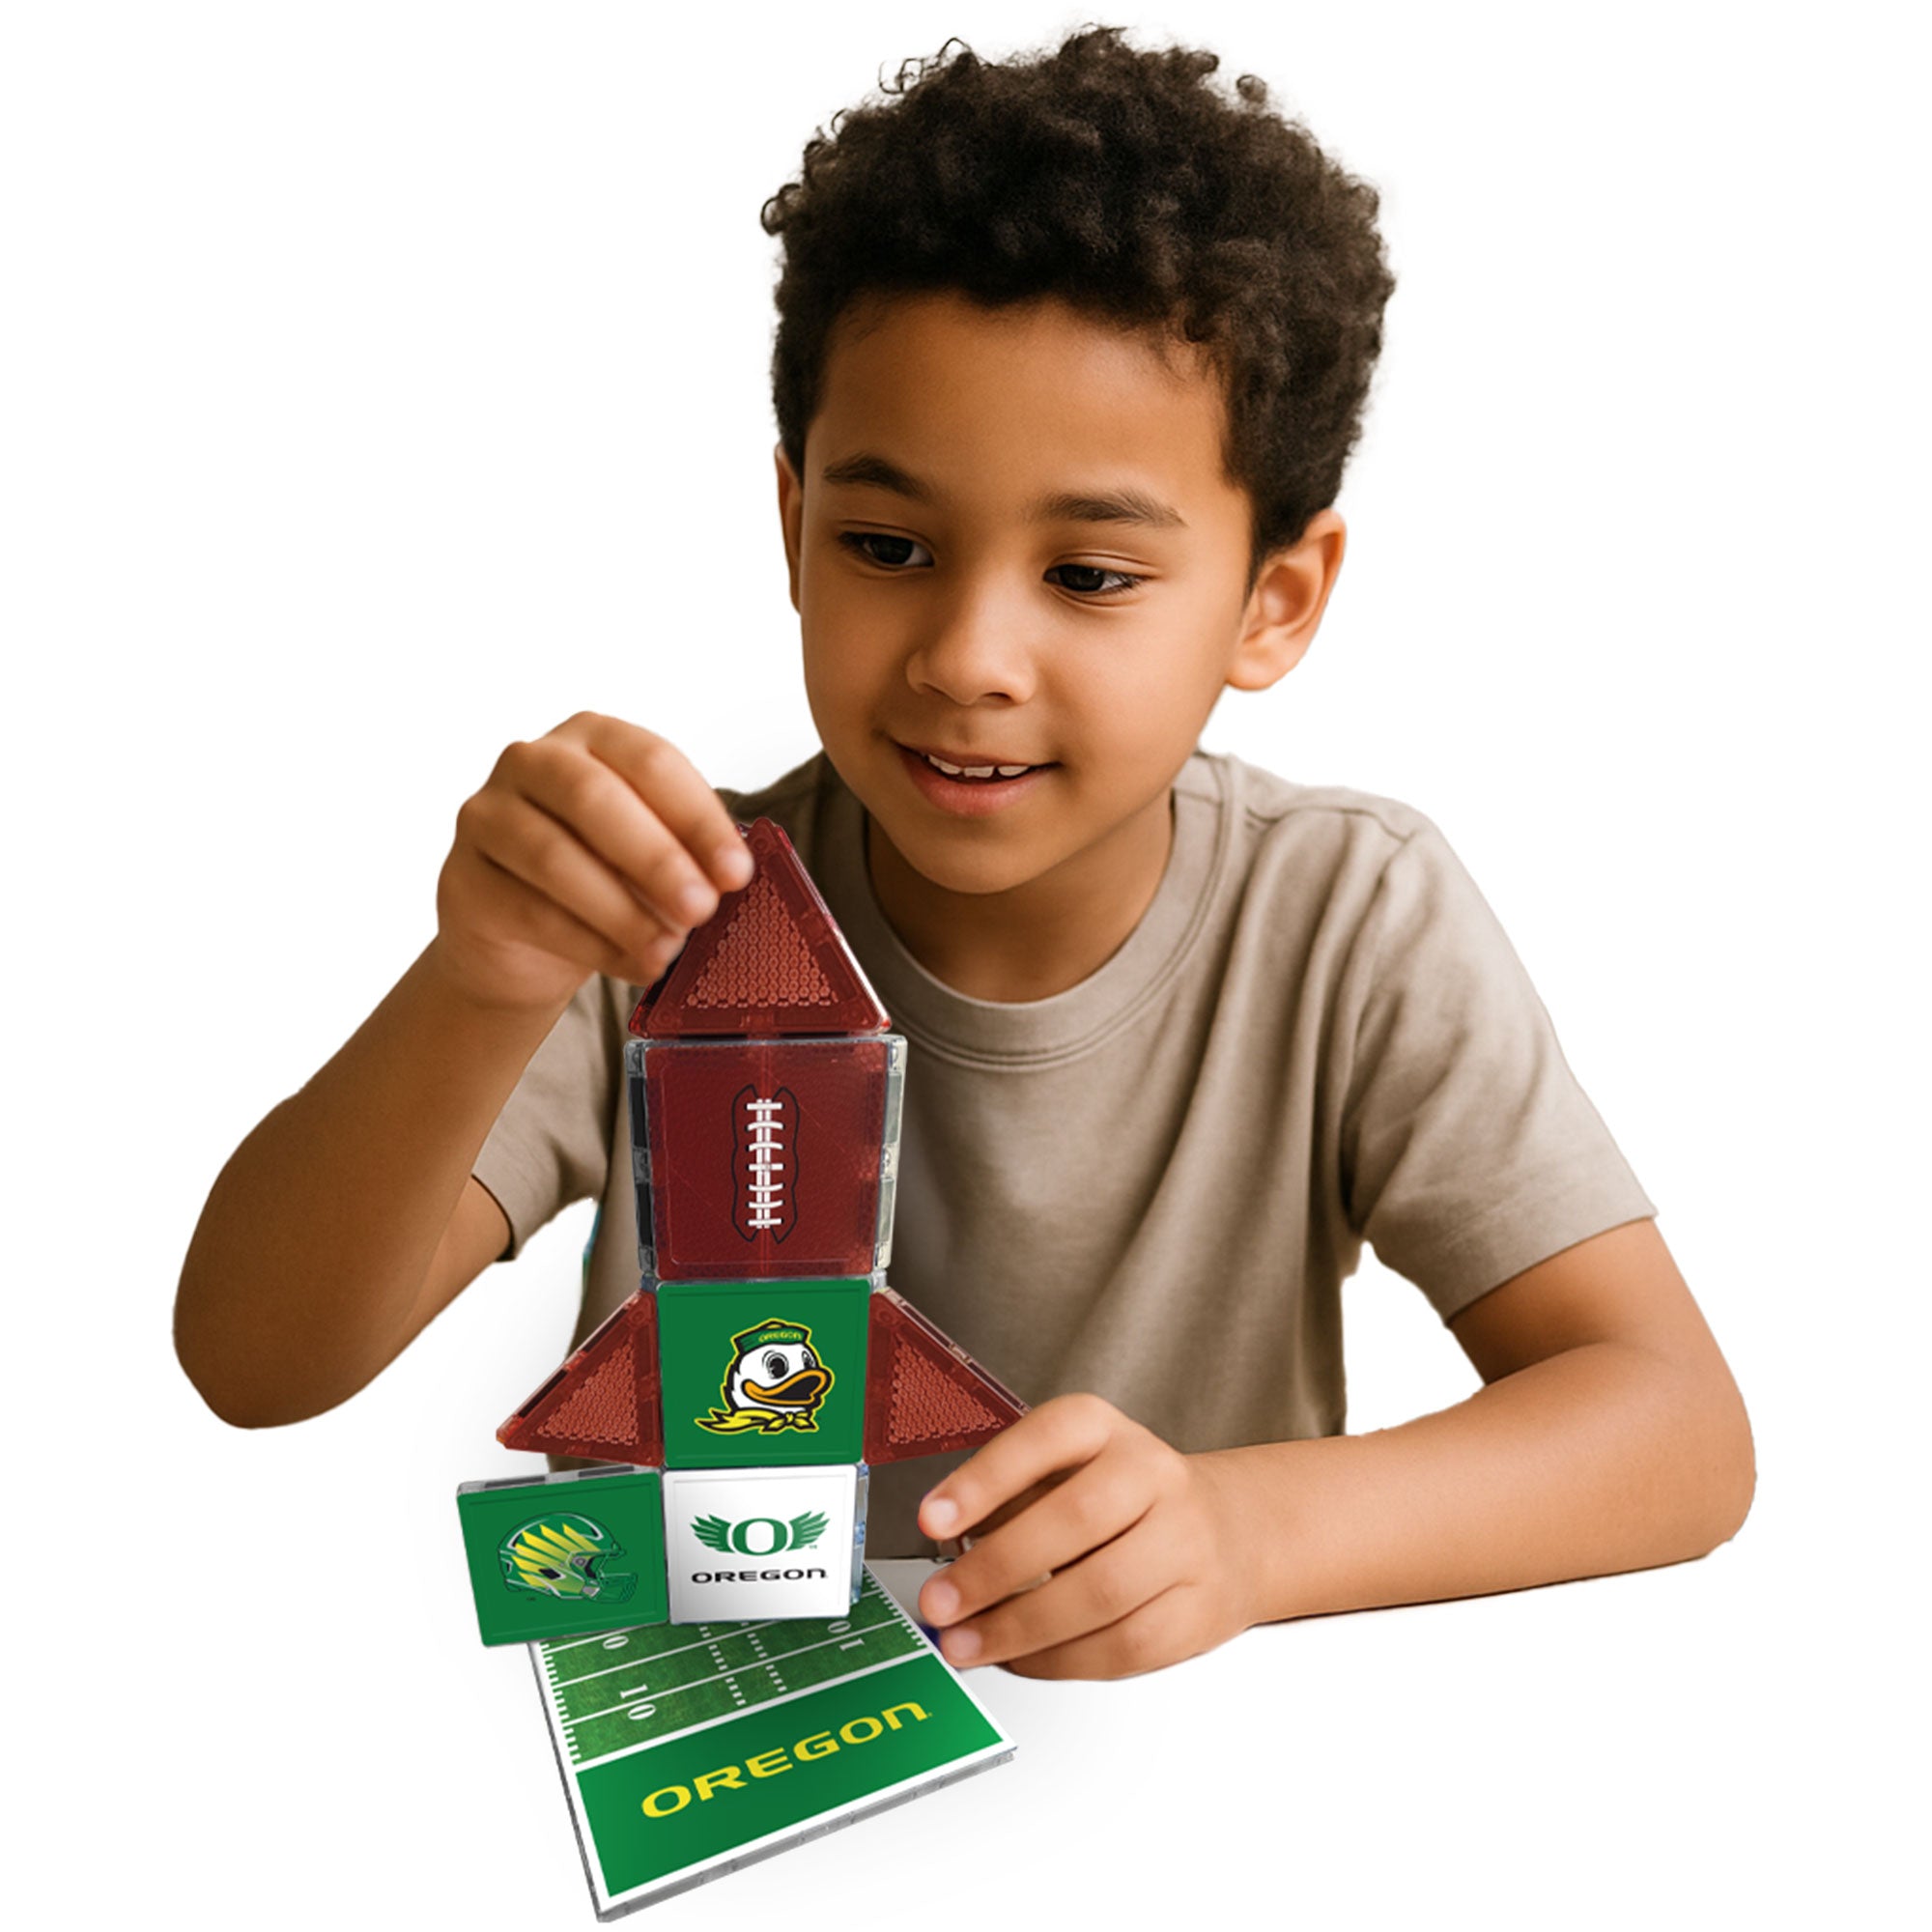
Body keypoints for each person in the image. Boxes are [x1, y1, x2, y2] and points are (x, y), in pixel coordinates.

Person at [175, 26, 1753, 1680]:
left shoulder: (1349, 915)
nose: (968, 656)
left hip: (1156, 1804)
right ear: (793, 530)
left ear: (1273, 601)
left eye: (1090, 575)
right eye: (888, 545)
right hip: (702, 1766)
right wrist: (481, 975)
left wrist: (1243, 1531)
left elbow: (1676, 1432)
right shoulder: (656, 902)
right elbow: (255, 1358)